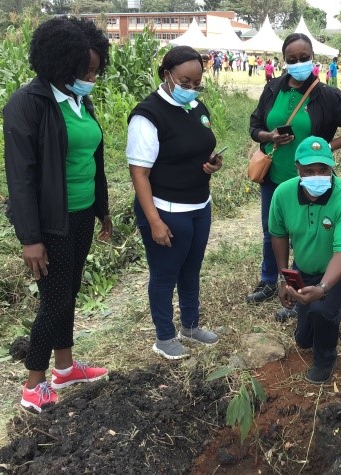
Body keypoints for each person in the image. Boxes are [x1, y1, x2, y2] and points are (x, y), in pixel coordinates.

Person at [3, 17, 112, 412]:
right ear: (59, 64)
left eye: (96, 69)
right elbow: (20, 178)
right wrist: (30, 238)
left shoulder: (80, 101)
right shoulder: (28, 104)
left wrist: (102, 211)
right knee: (54, 299)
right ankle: (34, 385)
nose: (92, 77)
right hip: (51, 223)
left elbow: (91, 160)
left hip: (80, 214)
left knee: (69, 292)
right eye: (86, 70)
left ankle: (64, 367)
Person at [248, 33, 341, 321]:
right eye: (292, 60)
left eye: (304, 58)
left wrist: (329, 147)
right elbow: (254, 125)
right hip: (276, 177)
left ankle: (316, 290)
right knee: (273, 233)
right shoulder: (272, 89)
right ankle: (273, 281)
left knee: (314, 237)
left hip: (313, 182)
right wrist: (269, 136)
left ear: (313, 58)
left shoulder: (326, 95)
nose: (299, 63)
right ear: (284, 61)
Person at [127, 46, 222, 360]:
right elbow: (139, 174)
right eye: (185, 82)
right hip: (166, 209)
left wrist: (209, 163)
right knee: (165, 274)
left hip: (198, 204)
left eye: (197, 83)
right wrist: (154, 221)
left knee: (191, 269)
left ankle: (191, 326)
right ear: (166, 74)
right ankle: (164, 336)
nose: (192, 89)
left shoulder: (195, 106)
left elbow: (198, 146)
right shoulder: (147, 115)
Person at [269, 136, 341, 384]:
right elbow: (278, 234)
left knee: (322, 309)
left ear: (332, 166)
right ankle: (337, 304)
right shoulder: (283, 193)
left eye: (323, 169)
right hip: (306, 267)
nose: (317, 175)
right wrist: (284, 277)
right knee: (303, 340)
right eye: (309, 170)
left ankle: (325, 360)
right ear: (297, 169)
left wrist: (323, 289)